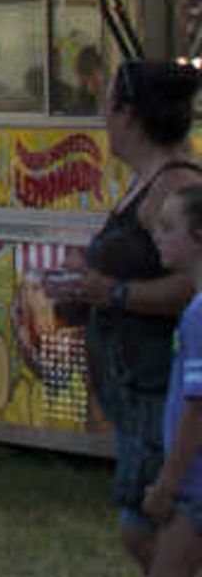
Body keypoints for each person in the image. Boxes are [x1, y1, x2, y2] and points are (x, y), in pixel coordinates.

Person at [40, 59, 202, 568]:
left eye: (106, 106)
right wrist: (84, 284)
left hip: (160, 388)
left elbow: (189, 284)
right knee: (141, 528)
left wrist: (110, 293)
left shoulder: (172, 186)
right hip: (135, 389)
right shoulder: (143, 182)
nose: (102, 119)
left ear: (128, 115)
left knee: (150, 526)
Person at [137, 178, 202, 577]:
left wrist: (167, 484)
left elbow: (198, 409)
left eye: (167, 227)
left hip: (194, 486)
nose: (156, 236)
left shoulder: (198, 314)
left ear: (198, 238)